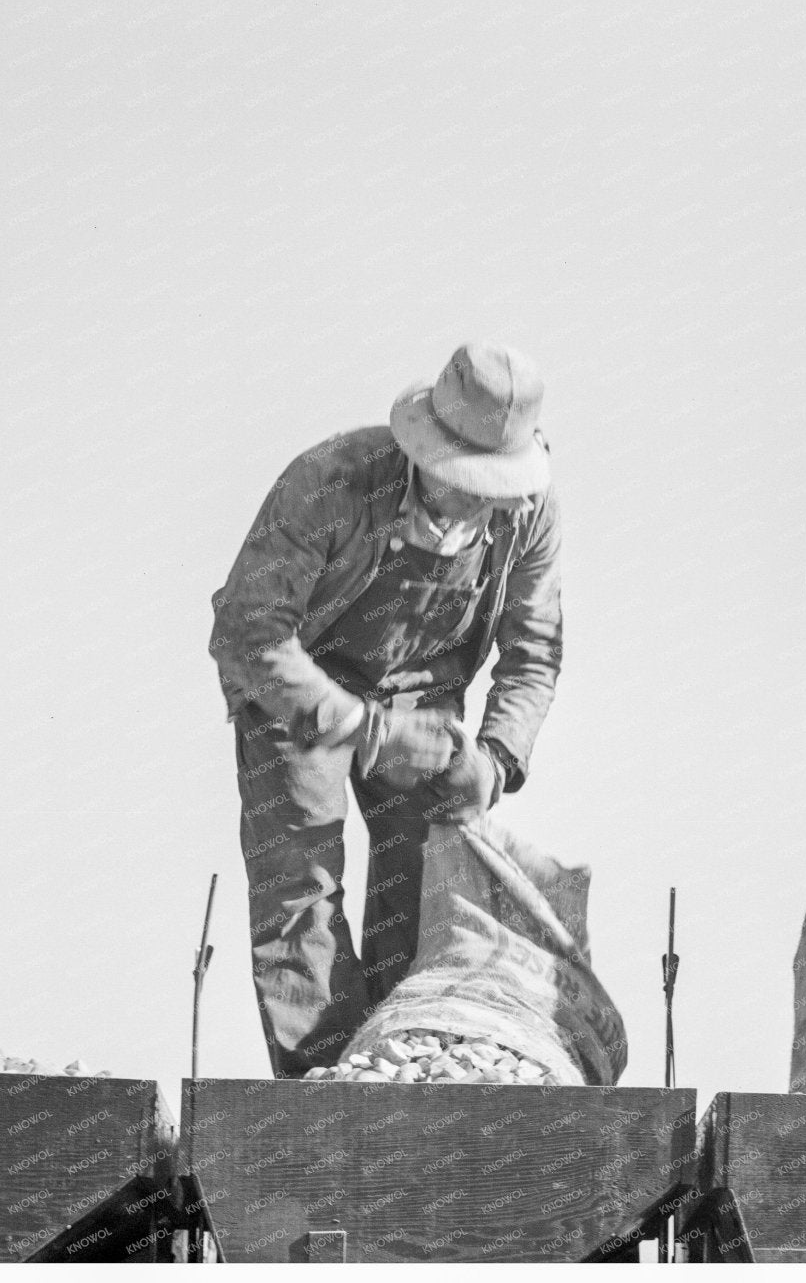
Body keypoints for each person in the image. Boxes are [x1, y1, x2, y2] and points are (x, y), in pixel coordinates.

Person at [208, 342, 563, 1076]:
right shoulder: (328, 481)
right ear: (420, 449)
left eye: (485, 484)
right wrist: (365, 729)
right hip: (299, 686)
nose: (469, 495)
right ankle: (334, 1084)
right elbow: (249, 632)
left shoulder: (529, 517)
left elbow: (533, 654)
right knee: (299, 888)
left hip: (426, 699)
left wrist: (493, 759)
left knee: (429, 878)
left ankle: (406, 1065)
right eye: (456, 476)